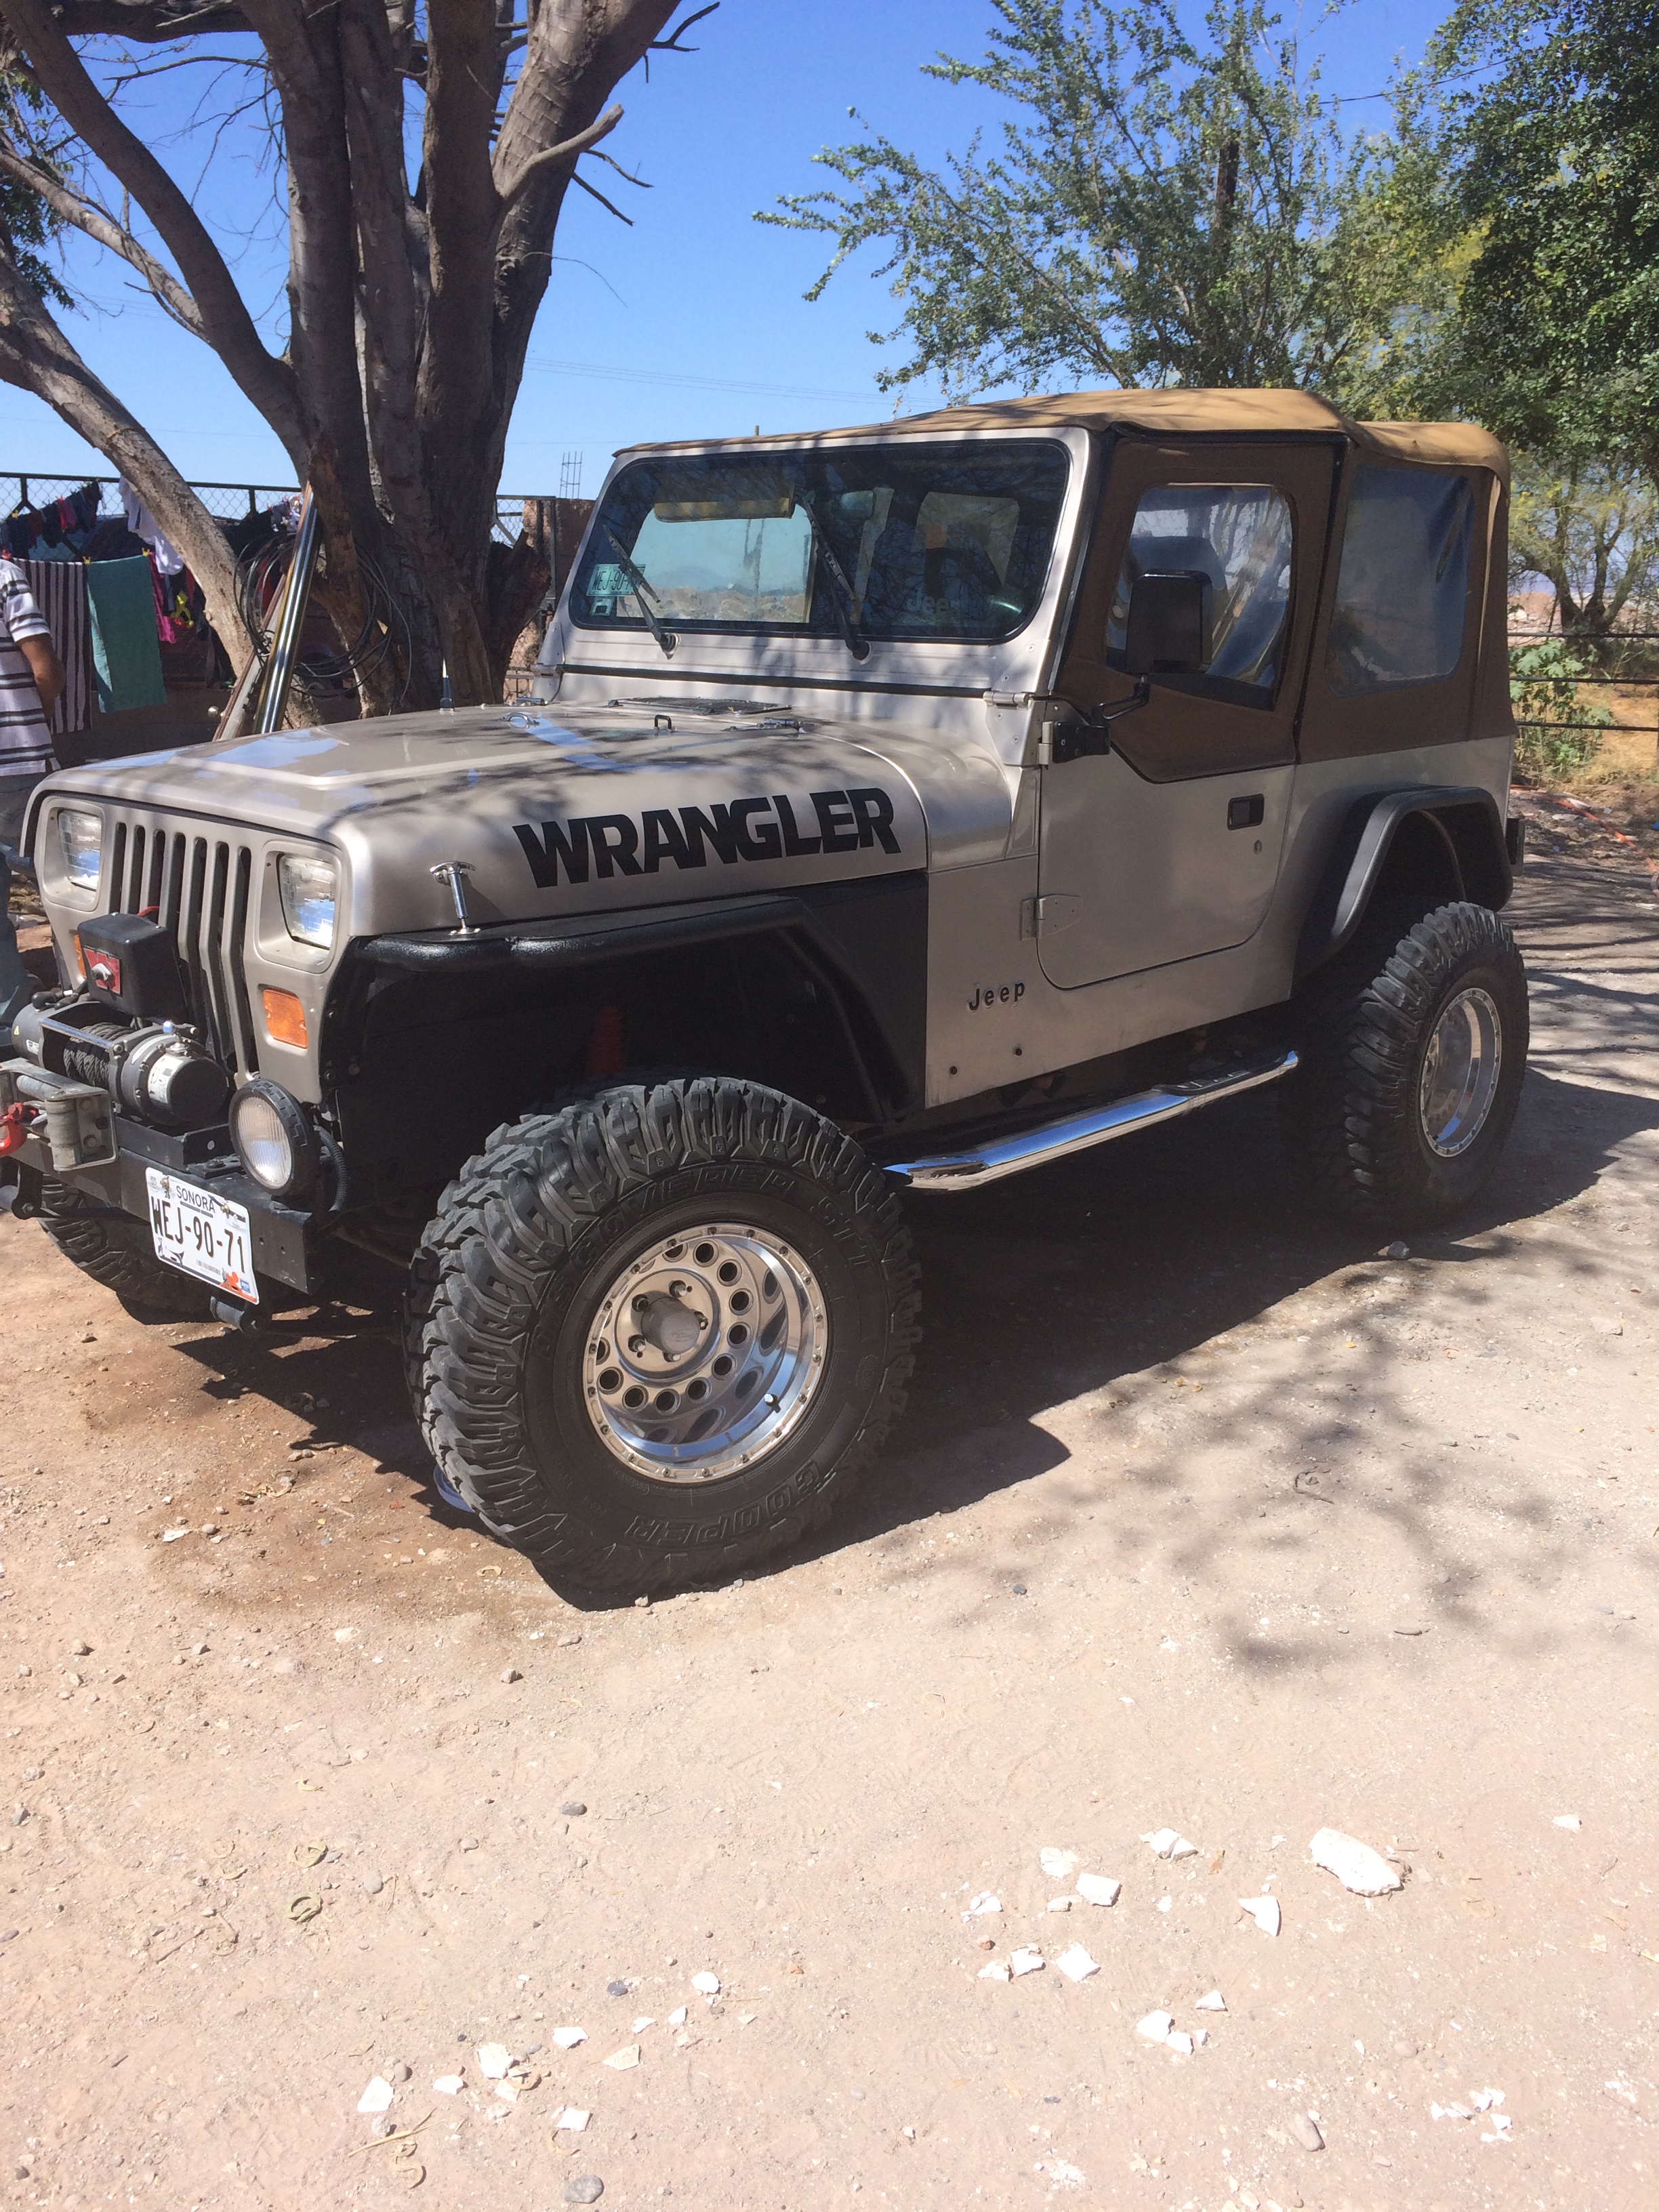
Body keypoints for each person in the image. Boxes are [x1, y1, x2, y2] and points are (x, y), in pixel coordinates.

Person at [0, 558, 66, 1052]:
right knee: (62, 884)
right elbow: (45, 666)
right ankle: (83, 999)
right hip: (19, 766)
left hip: (17, 768)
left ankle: (9, 1014)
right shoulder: (4, 576)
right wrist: (31, 724)